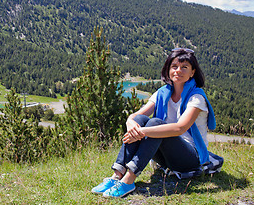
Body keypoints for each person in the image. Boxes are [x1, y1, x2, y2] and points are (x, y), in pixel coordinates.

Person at [91, 48, 216, 198]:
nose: (178, 71)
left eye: (184, 67)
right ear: (168, 69)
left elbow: (179, 128)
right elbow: (137, 115)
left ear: (193, 72)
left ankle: (129, 180)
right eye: (174, 67)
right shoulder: (162, 93)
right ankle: (117, 175)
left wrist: (142, 132)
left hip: (189, 158)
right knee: (139, 120)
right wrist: (130, 121)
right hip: (165, 155)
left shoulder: (196, 98)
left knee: (154, 122)